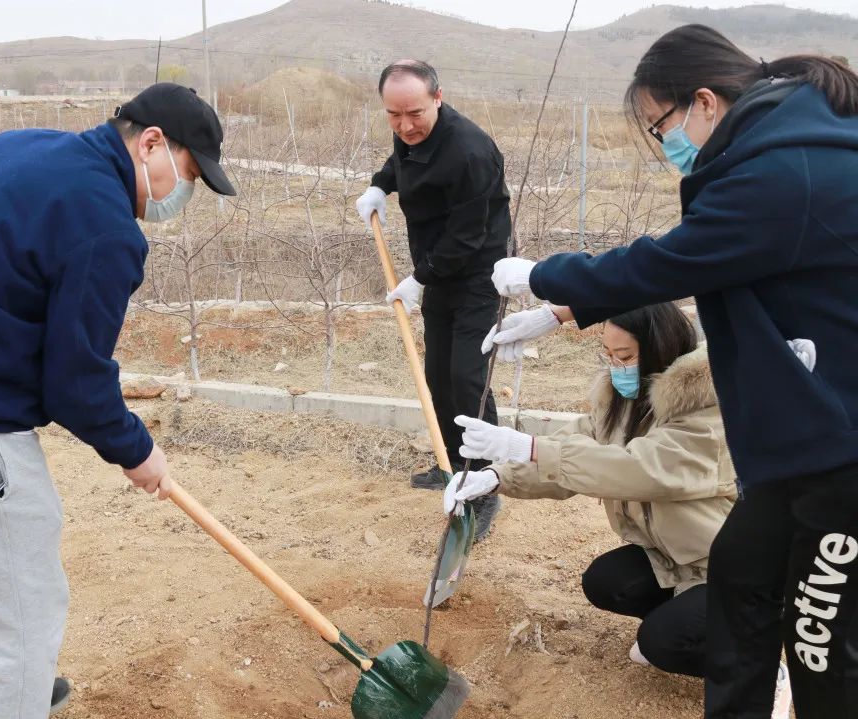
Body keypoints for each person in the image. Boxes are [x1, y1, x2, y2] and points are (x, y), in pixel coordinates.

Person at [487, 24, 858, 719]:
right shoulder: (780, 153)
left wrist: (545, 275)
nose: (667, 147)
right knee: (741, 583)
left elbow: (677, 260)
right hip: (800, 445)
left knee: (820, 645)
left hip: (844, 456)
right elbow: (712, 261)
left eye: (661, 128)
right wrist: (566, 311)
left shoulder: (786, 171)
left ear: (705, 102)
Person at [0, 83, 236, 718]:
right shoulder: (107, 229)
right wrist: (137, 452)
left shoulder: (20, 145)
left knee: (6, 580)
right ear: (152, 142)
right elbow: (75, 385)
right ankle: (11, 703)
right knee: (25, 599)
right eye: (188, 175)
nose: (184, 193)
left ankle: (8, 692)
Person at [446, 302, 795, 718]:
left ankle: (761, 667)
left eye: (625, 356)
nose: (616, 367)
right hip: (677, 556)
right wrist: (497, 476)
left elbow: (640, 469)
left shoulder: (711, 411)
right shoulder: (624, 401)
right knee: (606, 582)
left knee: (663, 642)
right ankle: (697, 625)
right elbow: (577, 448)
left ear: (662, 348)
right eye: (609, 356)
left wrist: (533, 448)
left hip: (734, 567)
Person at [355, 59, 512, 539]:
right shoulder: (410, 132)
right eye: (393, 115)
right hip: (438, 271)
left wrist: (418, 279)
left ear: (438, 98)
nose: (405, 126)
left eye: (414, 114)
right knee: (438, 376)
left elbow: (468, 236)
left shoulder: (470, 151)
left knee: (467, 377)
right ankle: (451, 462)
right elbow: (399, 159)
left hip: (478, 275)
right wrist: (380, 184)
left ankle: (486, 484)